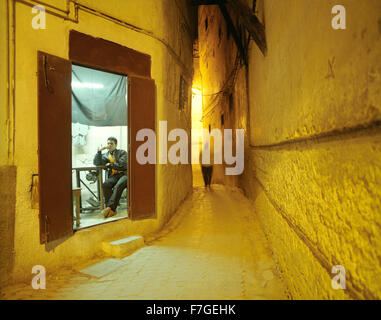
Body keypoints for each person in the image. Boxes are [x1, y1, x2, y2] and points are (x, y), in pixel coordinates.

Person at [93, 136, 127, 218]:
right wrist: (99, 152)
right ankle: (112, 209)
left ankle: (110, 208)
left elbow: (122, 165)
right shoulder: (105, 155)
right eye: (108, 143)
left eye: (111, 144)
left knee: (118, 186)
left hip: (125, 174)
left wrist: (110, 165)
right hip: (114, 176)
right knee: (105, 185)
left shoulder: (122, 152)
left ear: (116, 145)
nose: (109, 145)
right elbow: (97, 163)